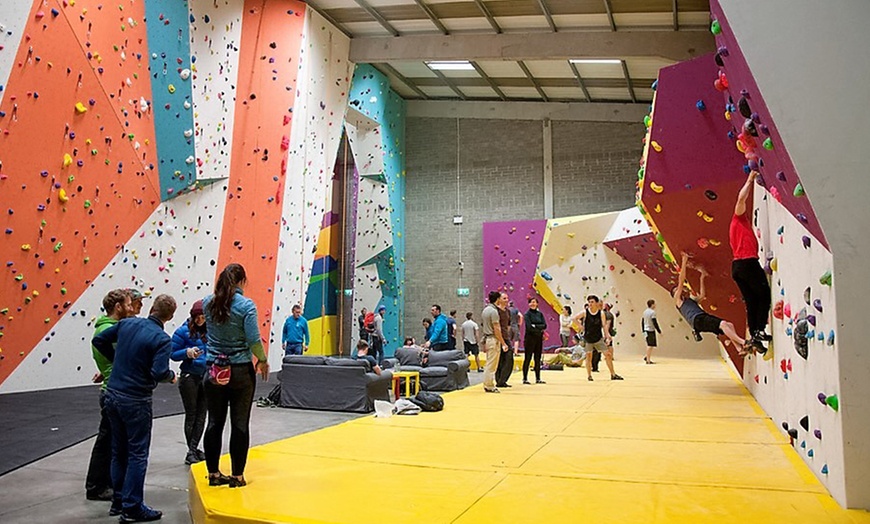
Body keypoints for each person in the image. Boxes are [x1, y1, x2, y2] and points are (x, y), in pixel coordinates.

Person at [92, 294, 178, 522]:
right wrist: (171, 377)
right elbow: (159, 372)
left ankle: (118, 502)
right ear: (170, 316)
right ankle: (132, 507)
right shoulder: (162, 339)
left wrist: (117, 360)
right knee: (137, 454)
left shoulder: (127, 323)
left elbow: (98, 341)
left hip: (112, 395)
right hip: (136, 400)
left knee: (118, 452)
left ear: (151, 308)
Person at [202, 263, 270, 489]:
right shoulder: (246, 305)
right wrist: (262, 359)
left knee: (214, 422)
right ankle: (237, 476)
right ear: (241, 282)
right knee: (240, 424)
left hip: (213, 370)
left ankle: (213, 474)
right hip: (240, 371)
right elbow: (253, 340)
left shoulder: (207, 303)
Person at [85, 289, 132, 502]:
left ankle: (104, 483)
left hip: (111, 387)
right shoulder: (109, 332)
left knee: (111, 440)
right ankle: (96, 486)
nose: (131, 309)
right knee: (107, 441)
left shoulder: (105, 329)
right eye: (128, 304)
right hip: (115, 390)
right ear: (118, 306)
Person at [674, 252, 757, 355]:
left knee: (729, 325)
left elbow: (702, 296)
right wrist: (684, 260)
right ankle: (744, 342)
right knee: (723, 324)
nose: (679, 289)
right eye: (676, 290)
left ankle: (739, 349)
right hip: (698, 320)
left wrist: (702, 278)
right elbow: (681, 280)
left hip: (701, 319)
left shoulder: (690, 301)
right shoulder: (678, 301)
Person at [731, 170, 773, 345]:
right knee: (763, 295)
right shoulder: (738, 219)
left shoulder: (737, 227)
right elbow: (741, 200)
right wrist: (749, 180)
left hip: (737, 267)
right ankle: (759, 330)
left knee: (751, 300)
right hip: (747, 263)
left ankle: (755, 334)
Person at [170, 300, 208, 465]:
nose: (200, 320)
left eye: (203, 317)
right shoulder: (182, 331)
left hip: (206, 376)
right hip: (189, 377)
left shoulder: (210, 332)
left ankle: (193, 449)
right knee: (191, 414)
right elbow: (172, 353)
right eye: (197, 317)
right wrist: (187, 352)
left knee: (202, 415)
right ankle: (191, 451)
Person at [576, 295, 623, 382]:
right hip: (588, 338)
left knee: (608, 355)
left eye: (592, 302)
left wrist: (607, 335)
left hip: (598, 338)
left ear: (596, 303)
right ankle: (589, 375)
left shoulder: (601, 313)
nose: (590, 304)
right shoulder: (585, 312)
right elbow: (575, 318)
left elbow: (604, 325)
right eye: (589, 302)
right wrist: (581, 327)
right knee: (589, 356)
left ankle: (613, 374)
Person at [480, 291, 507, 393]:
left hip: (487, 339)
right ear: (497, 299)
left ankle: (487, 383)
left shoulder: (485, 310)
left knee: (489, 362)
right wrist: (503, 342)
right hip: (493, 339)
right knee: (492, 364)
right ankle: (489, 385)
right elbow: (497, 329)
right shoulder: (494, 311)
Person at [522, 297, 547, 384]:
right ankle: (525, 378)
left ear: (537, 304)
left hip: (539, 339)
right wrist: (538, 328)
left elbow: (544, 325)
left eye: (534, 302)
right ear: (529, 304)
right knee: (528, 358)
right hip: (529, 339)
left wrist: (535, 326)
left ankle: (538, 378)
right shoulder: (527, 314)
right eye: (531, 302)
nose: (532, 304)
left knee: (537, 358)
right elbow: (529, 327)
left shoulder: (540, 314)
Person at [495, 293, 515, 388]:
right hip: (498, 337)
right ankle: (499, 380)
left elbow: (508, 324)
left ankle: (503, 379)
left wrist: (508, 334)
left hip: (506, 337)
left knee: (508, 359)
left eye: (507, 298)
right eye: (504, 298)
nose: (506, 300)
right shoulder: (496, 311)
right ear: (499, 299)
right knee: (500, 359)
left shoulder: (507, 311)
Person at [642, 299, 662, 364]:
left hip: (646, 329)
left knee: (649, 344)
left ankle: (647, 356)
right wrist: (659, 331)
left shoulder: (645, 312)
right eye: (654, 304)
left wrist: (643, 330)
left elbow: (642, 321)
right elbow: (654, 322)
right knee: (650, 345)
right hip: (650, 330)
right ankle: (648, 360)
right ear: (652, 304)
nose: (655, 305)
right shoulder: (652, 312)